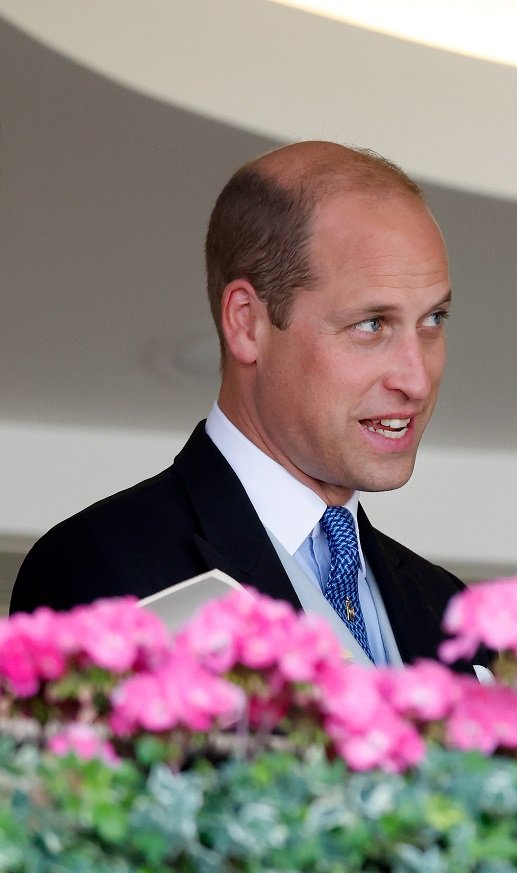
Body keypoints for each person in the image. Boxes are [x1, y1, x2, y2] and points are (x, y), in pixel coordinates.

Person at [11, 141, 484, 673]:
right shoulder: (100, 570)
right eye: (371, 325)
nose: (416, 380)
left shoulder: (448, 609)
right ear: (246, 323)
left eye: (433, 321)